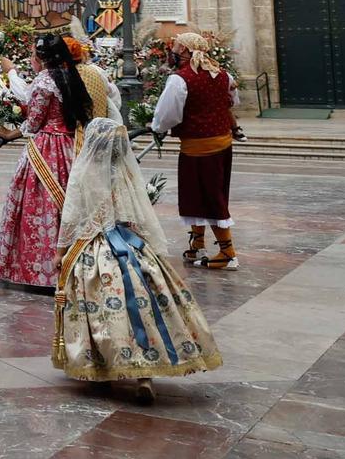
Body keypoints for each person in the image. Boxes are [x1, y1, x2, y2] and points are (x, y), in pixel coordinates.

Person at [54, 115, 222, 401]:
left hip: (95, 250)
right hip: (131, 247)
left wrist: (61, 251)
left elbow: (71, 215)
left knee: (98, 310)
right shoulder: (126, 173)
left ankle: (102, 369)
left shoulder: (83, 173)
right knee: (145, 307)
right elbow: (140, 214)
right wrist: (152, 248)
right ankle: (145, 373)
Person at [0, 33, 91, 288]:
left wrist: (8, 133)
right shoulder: (71, 76)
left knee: (39, 205)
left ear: (41, 58)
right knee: (70, 201)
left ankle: (41, 270)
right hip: (70, 145)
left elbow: (34, 123)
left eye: (33, 55)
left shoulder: (44, 81)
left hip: (47, 148)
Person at [151, 30, 243, 270]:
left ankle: (228, 252)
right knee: (201, 194)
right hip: (222, 144)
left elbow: (167, 115)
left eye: (176, 49)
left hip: (197, 148)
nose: (173, 53)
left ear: (185, 52)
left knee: (210, 197)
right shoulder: (223, 74)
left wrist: (157, 127)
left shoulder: (180, 79)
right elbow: (233, 102)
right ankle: (197, 243)